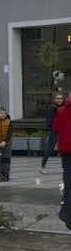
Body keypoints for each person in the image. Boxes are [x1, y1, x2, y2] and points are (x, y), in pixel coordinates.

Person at [51, 93, 71, 229]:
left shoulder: (61, 111)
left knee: (68, 181)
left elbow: (55, 127)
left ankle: (67, 214)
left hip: (66, 151)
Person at [41, 92, 63, 174]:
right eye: (58, 98)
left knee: (64, 149)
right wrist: (51, 129)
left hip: (63, 131)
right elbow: (49, 120)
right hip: (54, 131)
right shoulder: (52, 108)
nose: (59, 100)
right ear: (55, 99)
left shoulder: (65, 108)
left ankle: (65, 167)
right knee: (49, 149)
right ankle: (42, 166)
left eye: (61, 98)